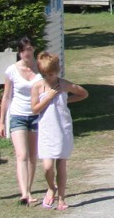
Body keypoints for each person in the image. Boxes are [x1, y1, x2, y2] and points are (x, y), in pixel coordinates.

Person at [32, 51, 88, 211]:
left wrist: (67, 99)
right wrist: (48, 97)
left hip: (62, 128)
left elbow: (83, 93)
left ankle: (62, 199)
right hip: (47, 130)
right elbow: (34, 109)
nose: (48, 77)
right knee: (47, 166)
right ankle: (51, 187)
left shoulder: (64, 85)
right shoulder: (37, 87)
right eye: (44, 75)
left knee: (61, 164)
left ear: (57, 71)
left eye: (50, 74)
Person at [0, 37, 43, 206]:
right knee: (21, 154)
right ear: (19, 52)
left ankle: (29, 190)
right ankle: (24, 193)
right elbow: (6, 96)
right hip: (18, 115)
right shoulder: (12, 70)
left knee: (32, 156)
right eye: (23, 50)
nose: (26, 53)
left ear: (34, 49)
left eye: (29, 49)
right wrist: (2, 121)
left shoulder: (40, 68)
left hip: (36, 115)